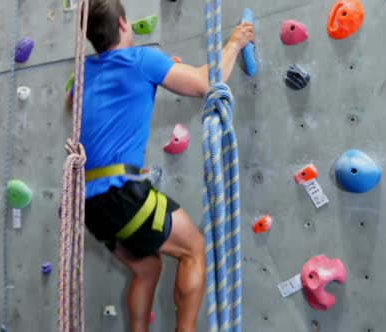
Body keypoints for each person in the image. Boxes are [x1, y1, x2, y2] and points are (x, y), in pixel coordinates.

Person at [66, 0, 254, 331]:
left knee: (147, 268)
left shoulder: (81, 75)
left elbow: (78, 105)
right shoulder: (142, 60)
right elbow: (205, 82)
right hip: (120, 192)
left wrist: (155, 74)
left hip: (89, 203)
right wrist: (235, 42)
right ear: (124, 26)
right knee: (193, 248)